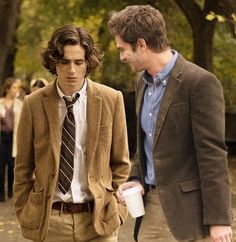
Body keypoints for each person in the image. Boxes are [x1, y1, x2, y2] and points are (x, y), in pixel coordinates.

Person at [108, 5, 232, 242]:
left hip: (191, 214)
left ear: (142, 44)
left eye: (123, 49)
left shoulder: (200, 83)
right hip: (151, 207)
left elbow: (212, 154)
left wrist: (219, 219)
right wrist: (135, 179)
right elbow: (145, 144)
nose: (122, 56)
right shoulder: (142, 83)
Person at [14, 25, 130, 242]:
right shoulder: (34, 104)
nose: (72, 70)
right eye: (64, 62)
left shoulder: (111, 99)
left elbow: (121, 163)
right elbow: (23, 167)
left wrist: (117, 208)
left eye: (79, 62)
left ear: (88, 62)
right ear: (53, 62)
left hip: (99, 221)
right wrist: (24, 211)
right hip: (51, 222)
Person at [0, 77, 23, 201]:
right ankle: (1, 194)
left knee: (12, 165)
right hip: (1, 137)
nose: (16, 90)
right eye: (14, 87)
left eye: (17, 88)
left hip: (14, 138)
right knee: (1, 166)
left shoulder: (20, 104)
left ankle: (10, 191)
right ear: (8, 88)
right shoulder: (1, 102)